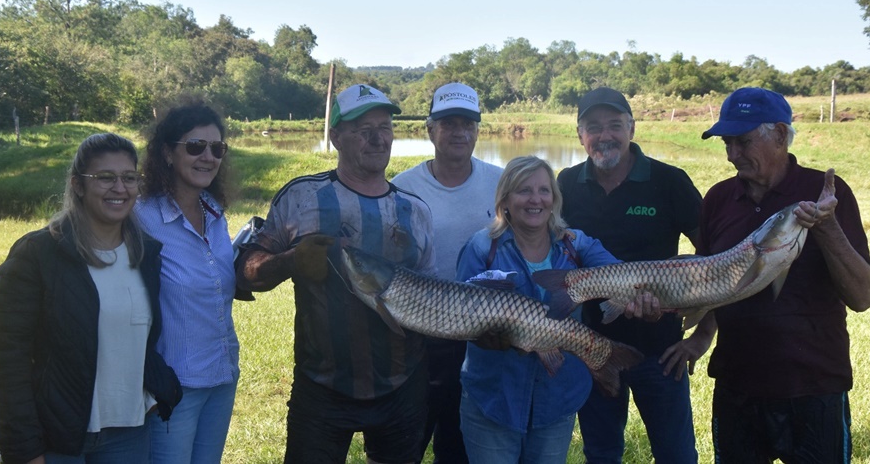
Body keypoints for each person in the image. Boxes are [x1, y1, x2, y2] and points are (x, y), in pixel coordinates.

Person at [663, 87, 870, 463]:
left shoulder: (825, 193)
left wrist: (827, 229)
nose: (731, 154)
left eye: (742, 142)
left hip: (814, 386)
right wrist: (701, 336)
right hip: (737, 386)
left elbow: (863, 297)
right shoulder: (718, 199)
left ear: (779, 135)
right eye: (727, 143)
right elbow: (714, 283)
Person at [236, 84, 436, 464]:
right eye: (364, 130)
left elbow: (431, 294)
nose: (378, 139)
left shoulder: (415, 211)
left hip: (402, 384)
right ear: (336, 137)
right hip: (322, 385)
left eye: (385, 127)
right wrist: (287, 262)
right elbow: (246, 274)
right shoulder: (302, 196)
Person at [0, 133, 182, 463]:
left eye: (129, 177)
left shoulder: (146, 254)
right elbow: (7, 360)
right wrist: (23, 446)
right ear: (77, 184)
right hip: (56, 438)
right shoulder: (37, 255)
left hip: (129, 432)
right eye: (105, 177)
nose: (119, 188)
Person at [455, 155, 648, 464]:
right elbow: (460, 314)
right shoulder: (482, 248)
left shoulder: (576, 246)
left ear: (554, 199)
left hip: (556, 398)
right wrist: (486, 335)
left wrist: (644, 294)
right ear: (504, 199)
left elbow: (622, 276)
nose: (535, 200)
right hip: (493, 399)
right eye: (523, 190)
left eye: (544, 191)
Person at [557, 87, 701, 463]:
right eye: (593, 127)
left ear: (632, 128)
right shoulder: (566, 185)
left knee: (677, 455)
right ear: (579, 135)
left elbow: (718, 260)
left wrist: (703, 335)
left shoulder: (670, 181)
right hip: (590, 347)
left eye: (615, 125)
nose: (605, 135)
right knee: (601, 454)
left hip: (662, 352)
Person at [392, 82, 503, 464]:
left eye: (467, 124)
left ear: (477, 130)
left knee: (459, 442)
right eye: (448, 123)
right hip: (421, 330)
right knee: (409, 436)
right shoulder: (401, 188)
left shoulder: (501, 182)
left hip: (485, 332)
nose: (459, 132)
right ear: (429, 129)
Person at [134, 104, 241, 463]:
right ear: (167, 152)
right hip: (174, 385)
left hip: (222, 376)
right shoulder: (140, 216)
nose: (208, 157)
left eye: (217, 148)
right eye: (195, 146)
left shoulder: (214, 212)